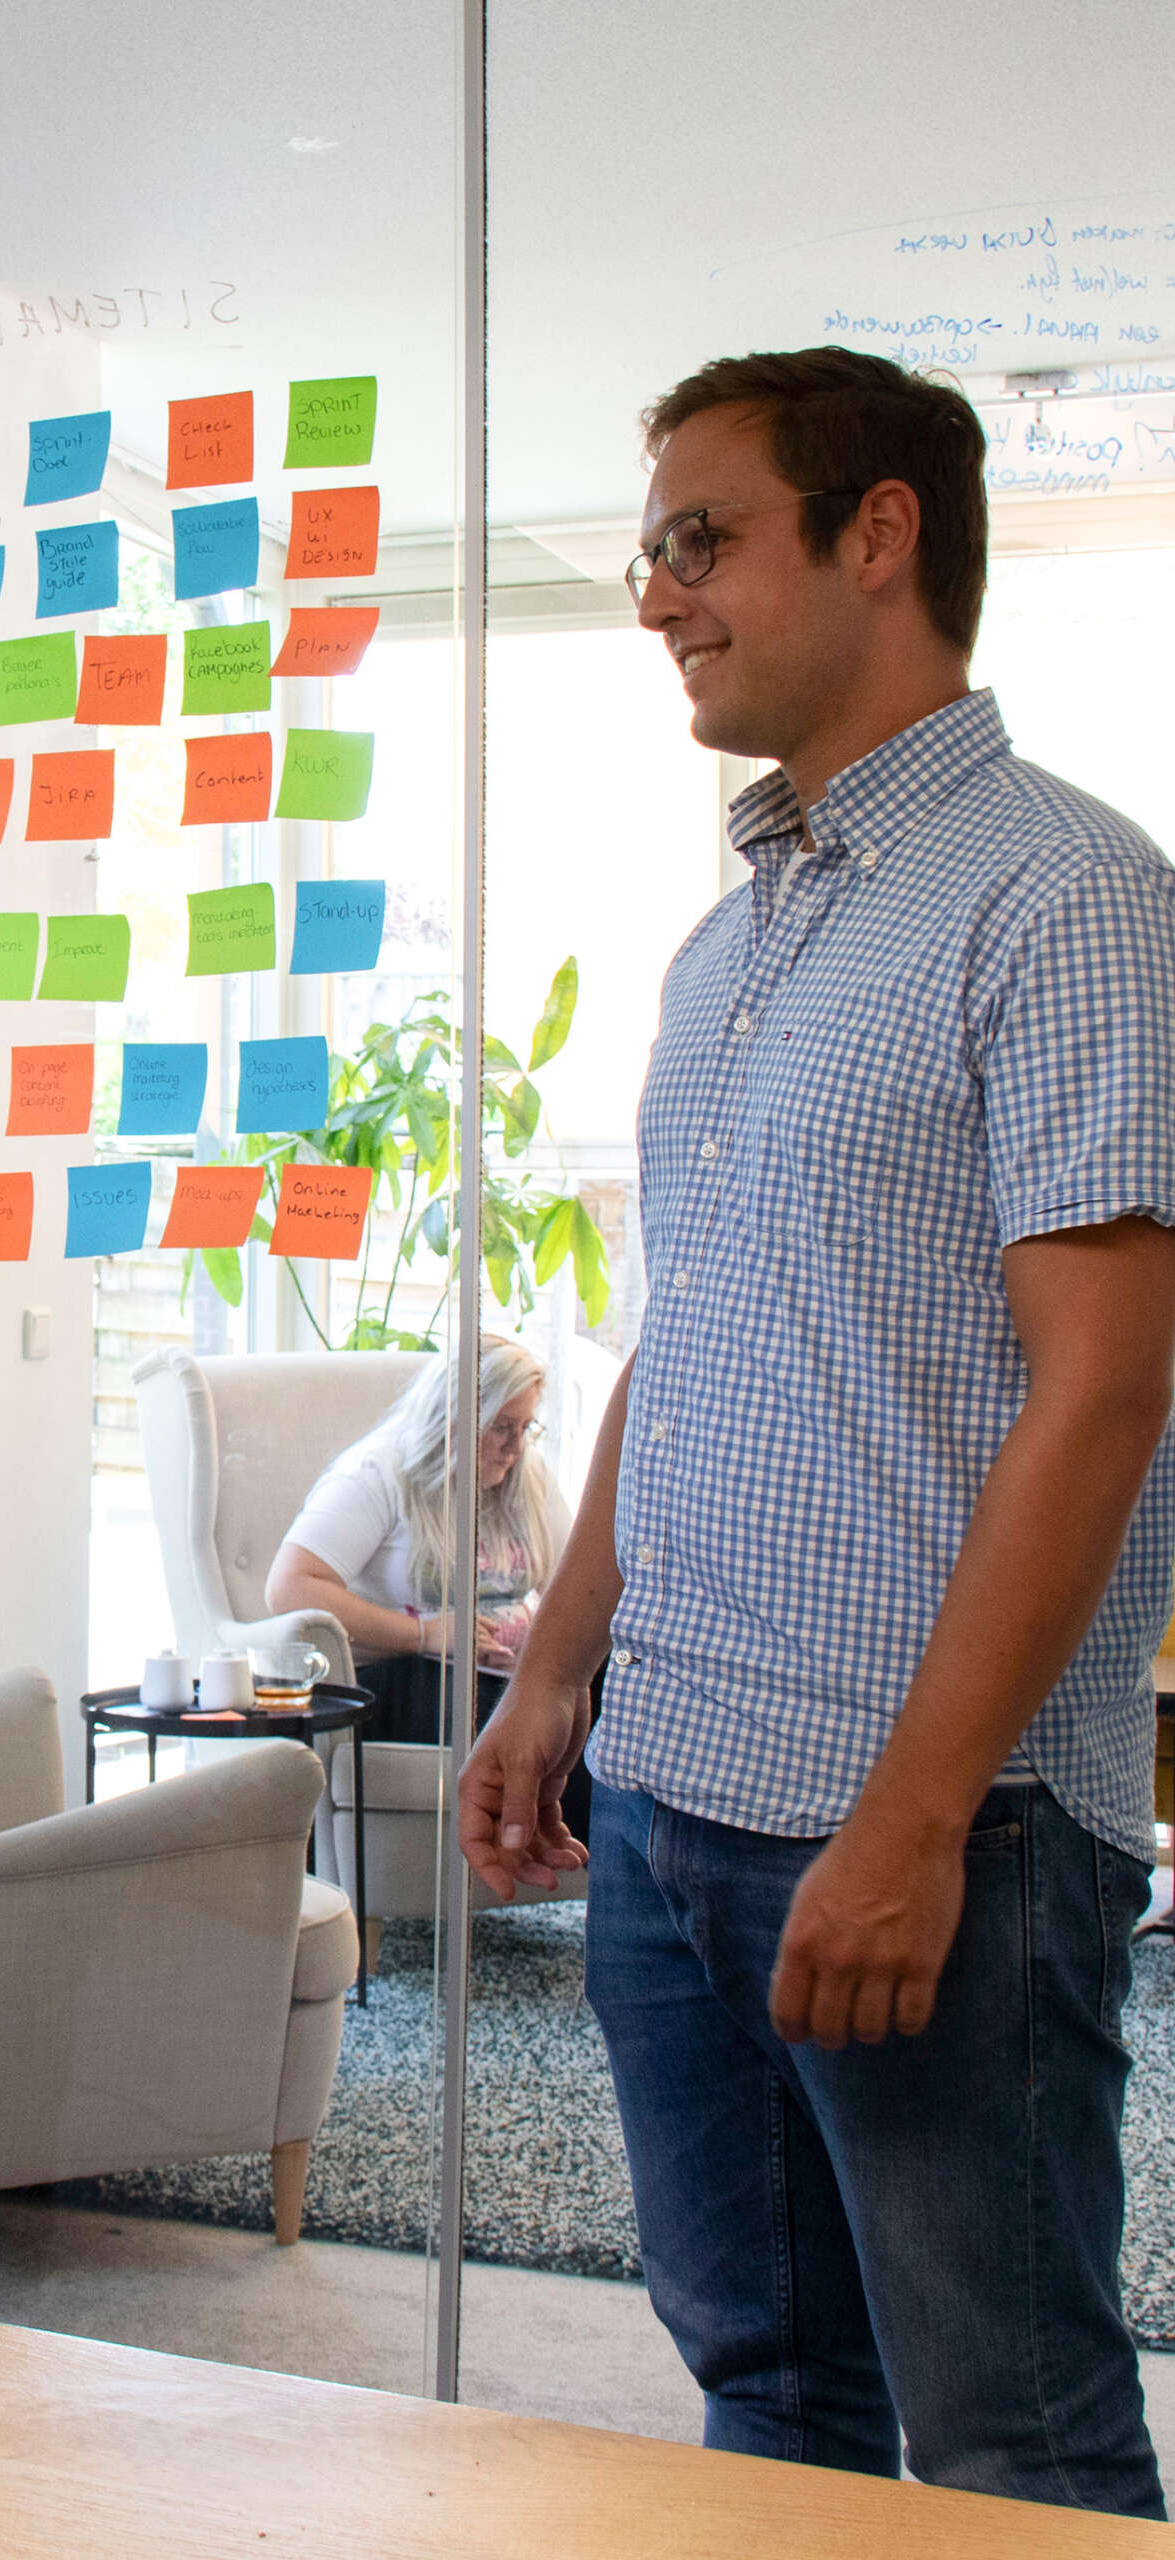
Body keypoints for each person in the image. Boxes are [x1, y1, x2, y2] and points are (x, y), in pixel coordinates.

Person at [460, 346, 1175, 2517]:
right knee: (767, 2389)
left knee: (1004, 2427)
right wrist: (556, 1668)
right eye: (648, 542)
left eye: (698, 534)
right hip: (671, 1803)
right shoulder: (730, 943)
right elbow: (693, 1339)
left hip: (920, 1824)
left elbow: (1109, 1387)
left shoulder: (1062, 895)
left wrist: (910, 1816)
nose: (653, 589)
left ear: (877, 536)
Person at [267, 1339, 584, 1836]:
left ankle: (610, 1870)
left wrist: (550, 1662)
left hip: (507, 1679)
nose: (515, 1446)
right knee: (532, 1722)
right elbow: (290, 1586)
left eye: (525, 1428)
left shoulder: (524, 1474)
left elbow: (573, 1583)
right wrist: (427, 1634)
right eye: (501, 1426)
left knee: (604, 1692)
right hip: (410, 1676)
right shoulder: (380, 1471)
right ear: (453, 1418)